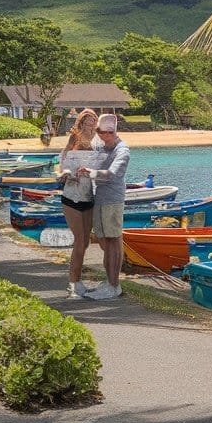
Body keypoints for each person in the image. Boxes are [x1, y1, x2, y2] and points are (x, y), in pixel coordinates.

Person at [77, 113, 129, 300]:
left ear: (111, 131)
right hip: (99, 198)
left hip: (113, 200)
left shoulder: (122, 150)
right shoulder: (100, 143)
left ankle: (114, 285)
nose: (98, 134)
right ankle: (109, 281)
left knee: (113, 239)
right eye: (97, 130)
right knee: (103, 240)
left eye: (101, 131)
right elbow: (87, 151)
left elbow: (113, 174)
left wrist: (91, 173)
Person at [57, 109, 98, 299]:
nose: (90, 124)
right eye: (87, 121)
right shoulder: (74, 138)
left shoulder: (97, 142)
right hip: (71, 196)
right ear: (80, 123)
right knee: (79, 240)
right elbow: (63, 161)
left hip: (88, 197)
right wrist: (67, 173)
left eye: (93, 121)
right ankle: (73, 283)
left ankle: (78, 281)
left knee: (86, 241)